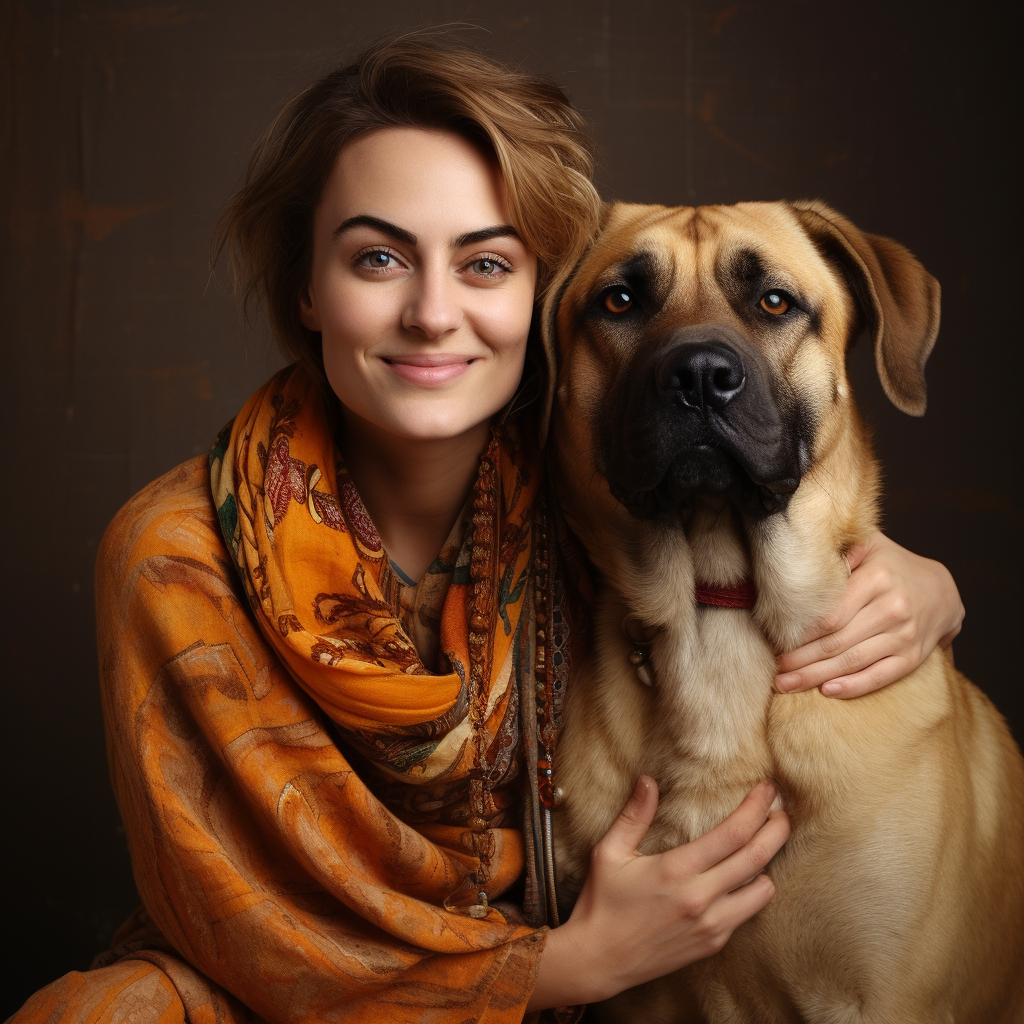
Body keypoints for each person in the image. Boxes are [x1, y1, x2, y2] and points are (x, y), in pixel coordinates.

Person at [11, 32, 964, 1024]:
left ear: (536, 297)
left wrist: (914, 578)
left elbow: (747, 526)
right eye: (377, 256)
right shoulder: (174, 555)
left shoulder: (591, 505)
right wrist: (561, 968)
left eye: (484, 263)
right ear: (307, 285)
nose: (432, 312)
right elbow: (243, 925)